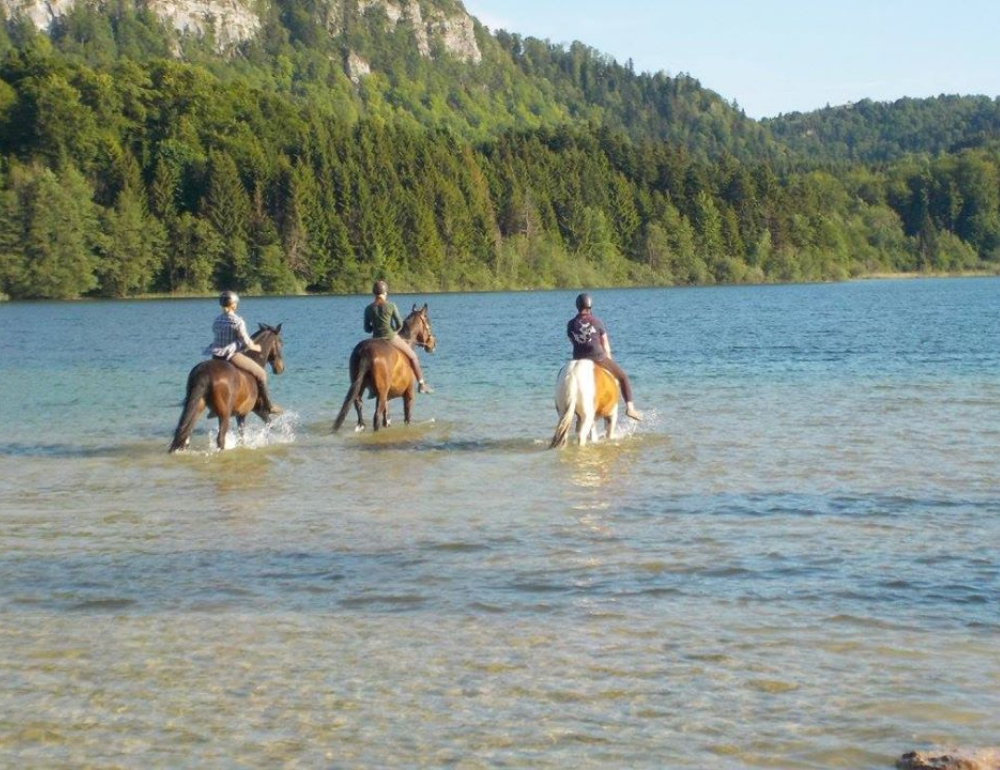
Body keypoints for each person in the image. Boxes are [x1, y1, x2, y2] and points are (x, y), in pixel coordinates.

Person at [205, 290, 283, 415]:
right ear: (234, 305)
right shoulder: (237, 321)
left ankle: (213, 409)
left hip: (215, 356)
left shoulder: (217, 320)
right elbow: (247, 342)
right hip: (231, 356)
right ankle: (269, 406)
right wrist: (257, 348)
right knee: (262, 374)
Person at [567, 292, 642, 421]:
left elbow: (573, 342)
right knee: (623, 377)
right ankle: (630, 408)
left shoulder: (570, 324)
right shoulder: (597, 321)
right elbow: (605, 345)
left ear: (577, 306)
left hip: (578, 359)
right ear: (590, 306)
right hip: (598, 358)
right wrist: (610, 360)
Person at [365, 280, 433, 394]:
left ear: (374, 293)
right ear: (385, 292)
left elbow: (367, 329)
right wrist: (394, 332)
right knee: (413, 357)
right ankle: (421, 384)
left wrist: (375, 328)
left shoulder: (368, 308)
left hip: (376, 339)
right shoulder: (391, 305)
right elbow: (400, 325)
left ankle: (372, 389)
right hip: (390, 337)